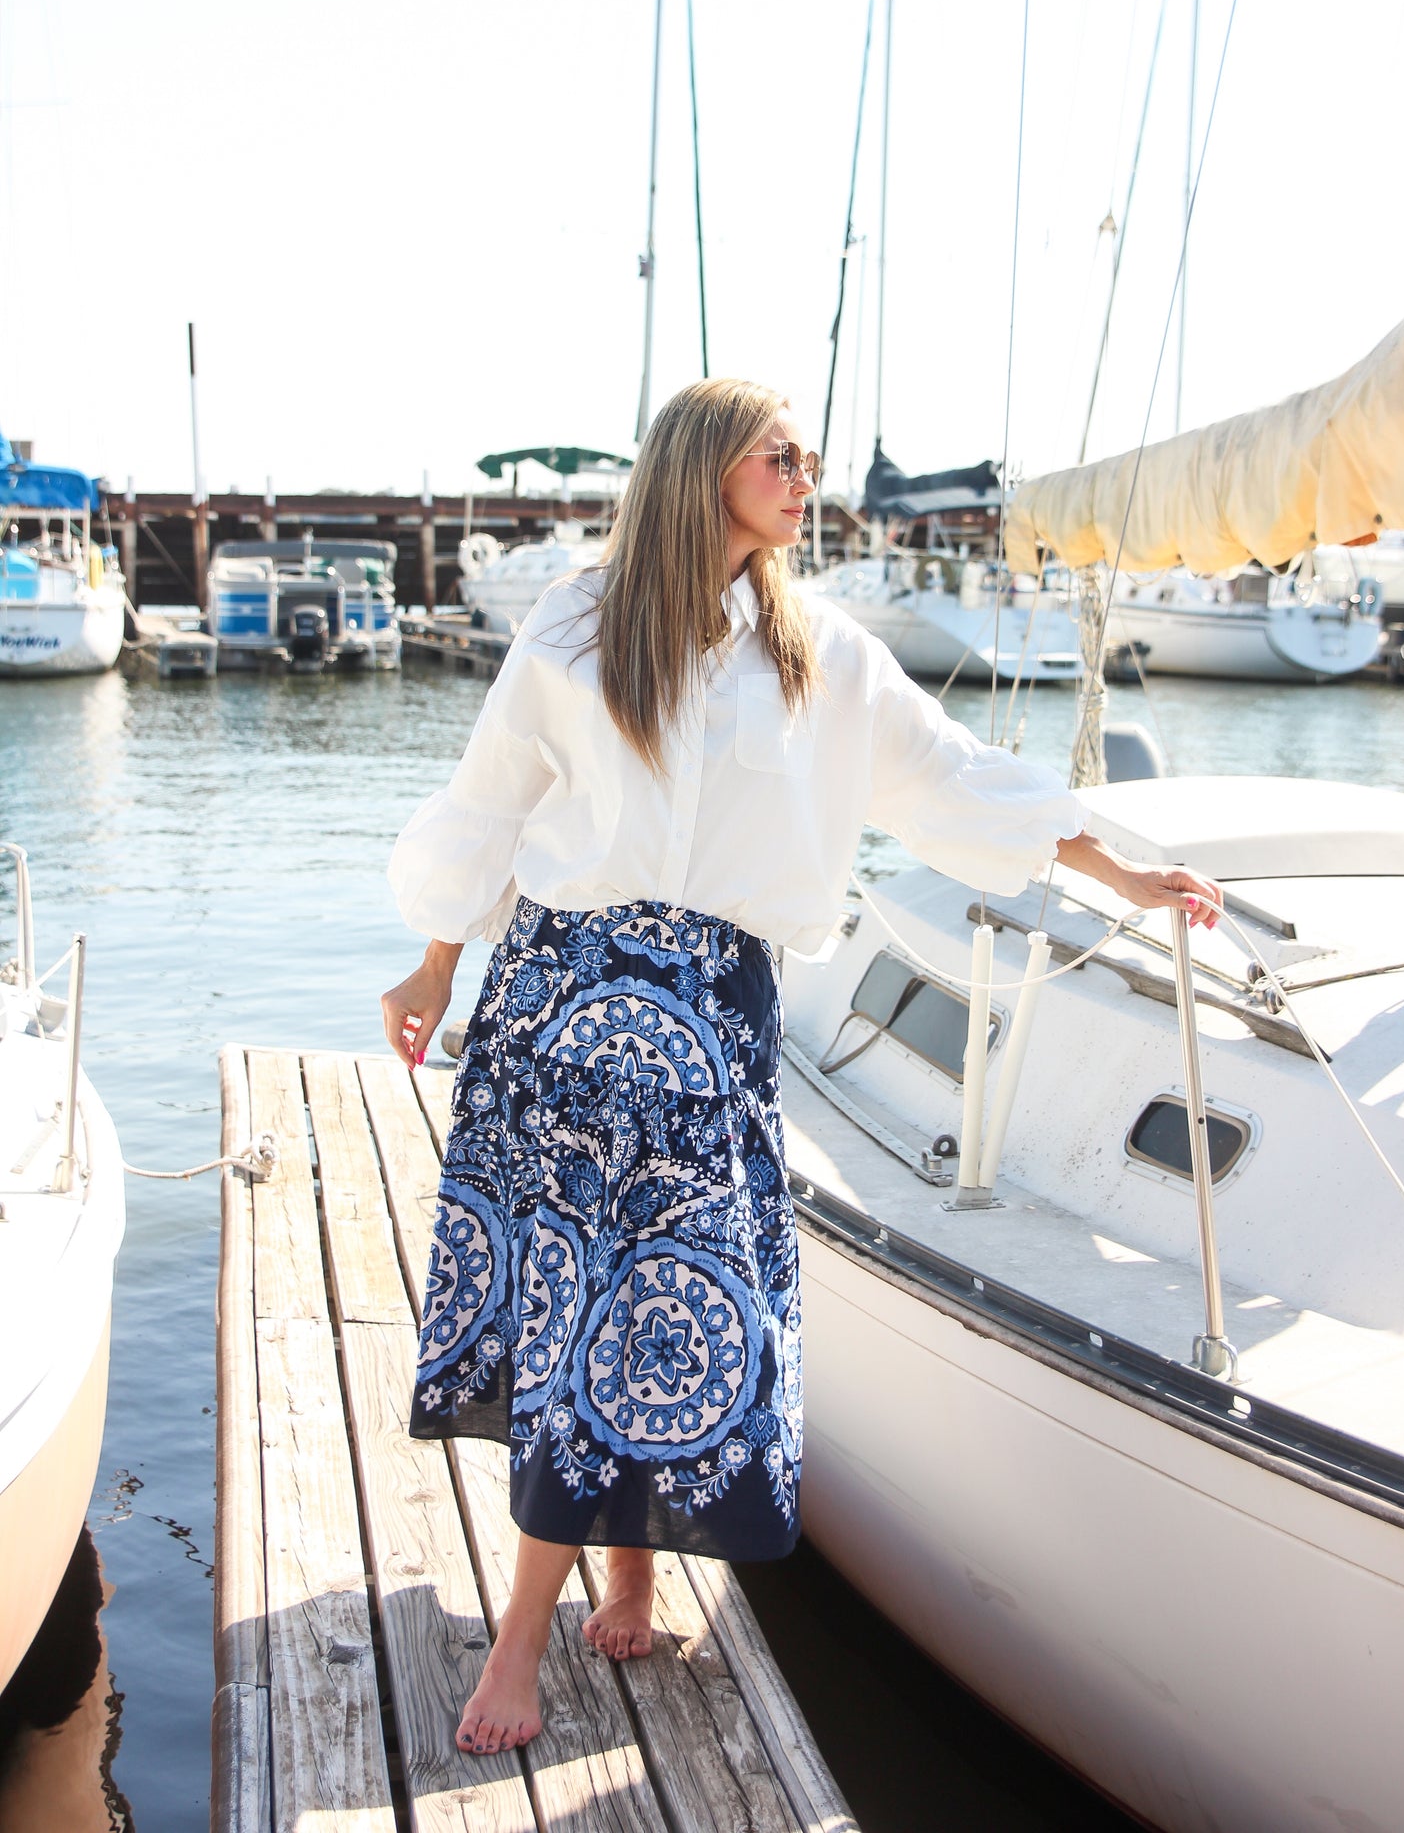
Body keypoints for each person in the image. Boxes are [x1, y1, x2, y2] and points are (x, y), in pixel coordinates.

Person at [382, 377, 1222, 1759]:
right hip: (562, 1005)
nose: (801, 465)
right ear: (703, 465)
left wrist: (1120, 870)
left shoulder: (816, 651)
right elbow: (492, 796)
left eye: (800, 450)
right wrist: (431, 965)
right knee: (579, 1303)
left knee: (673, 1292)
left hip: (714, 1018)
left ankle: (635, 1566)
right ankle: (523, 1636)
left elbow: (955, 780)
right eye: (775, 448)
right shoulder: (579, 622)